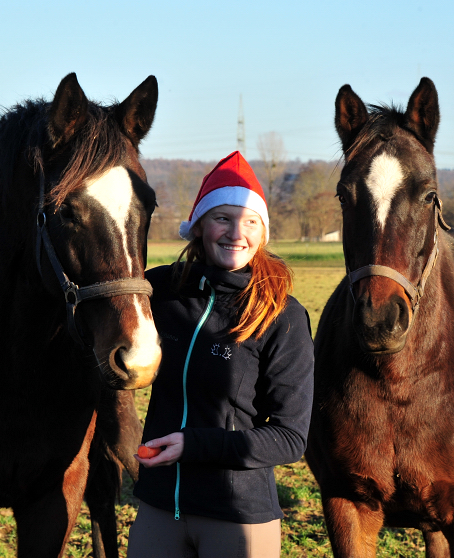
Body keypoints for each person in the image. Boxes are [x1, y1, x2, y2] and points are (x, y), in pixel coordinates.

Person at [127, 151, 314, 558]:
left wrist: (194, 446)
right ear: (199, 227)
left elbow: (290, 438)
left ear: (262, 232)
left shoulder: (283, 315)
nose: (236, 233)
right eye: (223, 218)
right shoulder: (159, 291)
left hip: (236, 517)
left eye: (250, 221)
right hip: (159, 507)